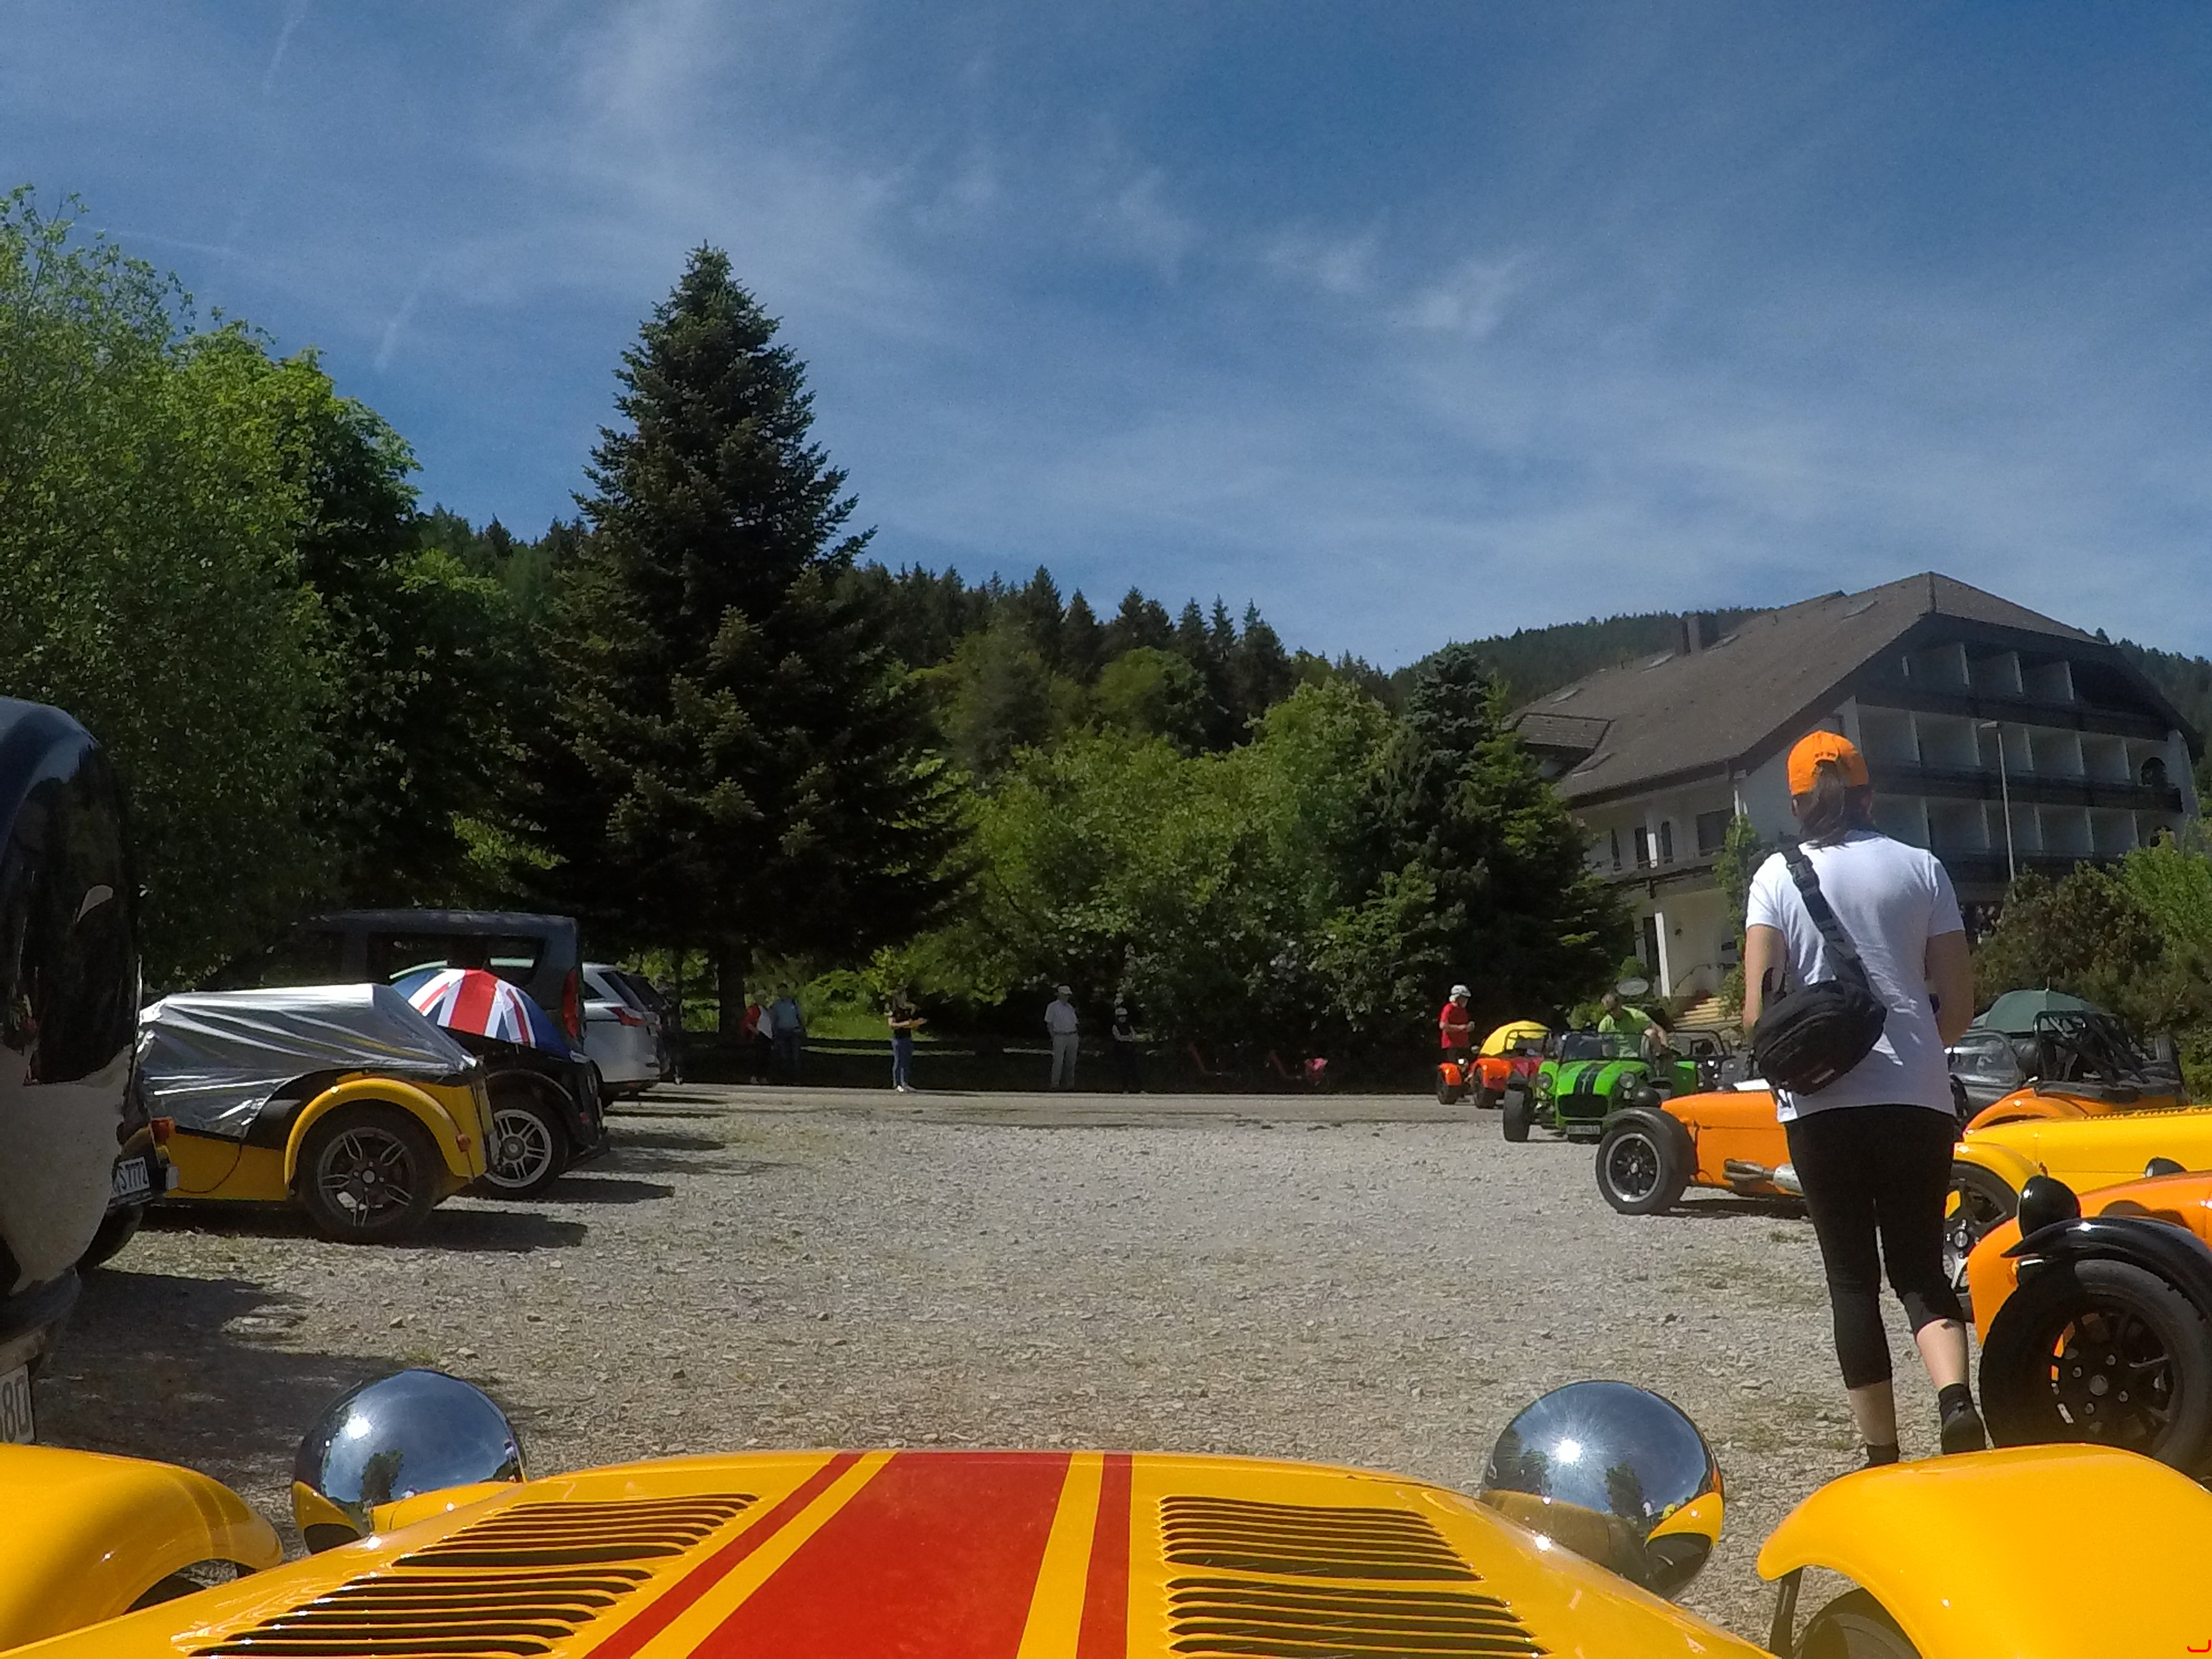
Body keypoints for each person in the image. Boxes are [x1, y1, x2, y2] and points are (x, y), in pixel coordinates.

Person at [1741, 731, 1981, 1467]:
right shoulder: (1922, 867)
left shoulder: (1775, 877)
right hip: (1917, 1097)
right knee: (1919, 1266)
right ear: (1869, 793)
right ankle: (1955, 1401)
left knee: (1852, 1279)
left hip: (1820, 1104)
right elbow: (1958, 1008)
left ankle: (1882, 1454)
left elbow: (1755, 1015)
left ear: (1797, 804)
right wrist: (1914, 1055)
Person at [887, 993, 925, 1092]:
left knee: (906, 1062)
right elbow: (892, 1025)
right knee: (898, 1061)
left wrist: (917, 1023)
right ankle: (897, 1084)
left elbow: (911, 1025)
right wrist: (905, 1024)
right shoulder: (894, 1012)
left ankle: (905, 1083)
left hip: (907, 1038)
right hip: (898, 1039)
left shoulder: (907, 1012)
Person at [1046, 987, 1080, 1089]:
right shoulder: (1052, 1007)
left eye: (1068, 995)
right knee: (1058, 1062)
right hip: (1060, 1035)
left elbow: (1075, 1023)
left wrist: (1076, 1036)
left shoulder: (1070, 1007)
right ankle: (1055, 1084)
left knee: (1071, 1062)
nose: (1066, 997)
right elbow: (1049, 1023)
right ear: (1059, 994)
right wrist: (1054, 1036)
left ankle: (1070, 1084)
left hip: (1072, 1035)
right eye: (1064, 995)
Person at [769, 988, 805, 1081]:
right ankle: (785, 1076)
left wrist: (802, 1029)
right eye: (780, 991)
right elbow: (773, 1018)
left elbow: (800, 1017)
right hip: (782, 1032)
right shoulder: (776, 1004)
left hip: (794, 1031)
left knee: (796, 1055)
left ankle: (797, 1077)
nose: (782, 993)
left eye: (784, 991)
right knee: (783, 1054)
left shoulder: (793, 1003)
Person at [1110, 1004, 1142, 1093]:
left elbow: (1134, 1036)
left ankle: (1139, 1088)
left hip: (1130, 1050)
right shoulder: (1115, 1027)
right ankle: (1125, 1088)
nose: (1122, 1018)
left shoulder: (1129, 1026)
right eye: (1120, 1017)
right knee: (1123, 1069)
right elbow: (1118, 1037)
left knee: (1134, 1069)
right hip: (1121, 1050)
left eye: (1124, 1016)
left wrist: (1128, 1038)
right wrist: (1128, 1038)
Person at [1438, 985, 1474, 1058]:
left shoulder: (1463, 1010)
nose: (1466, 1000)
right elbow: (1443, 1025)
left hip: (1464, 1045)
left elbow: (1464, 1025)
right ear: (1457, 998)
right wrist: (1460, 1028)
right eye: (1463, 998)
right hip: (1452, 1046)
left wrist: (1469, 1026)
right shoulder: (1449, 1008)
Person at [742, 992, 769, 1085]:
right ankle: (754, 1077)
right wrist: (756, 1032)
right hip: (760, 1036)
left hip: (767, 1036)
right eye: (760, 997)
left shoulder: (766, 1010)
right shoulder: (753, 1009)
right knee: (758, 1057)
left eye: (763, 997)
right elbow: (747, 1022)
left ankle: (762, 1077)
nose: (763, 999)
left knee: (765, 1057)